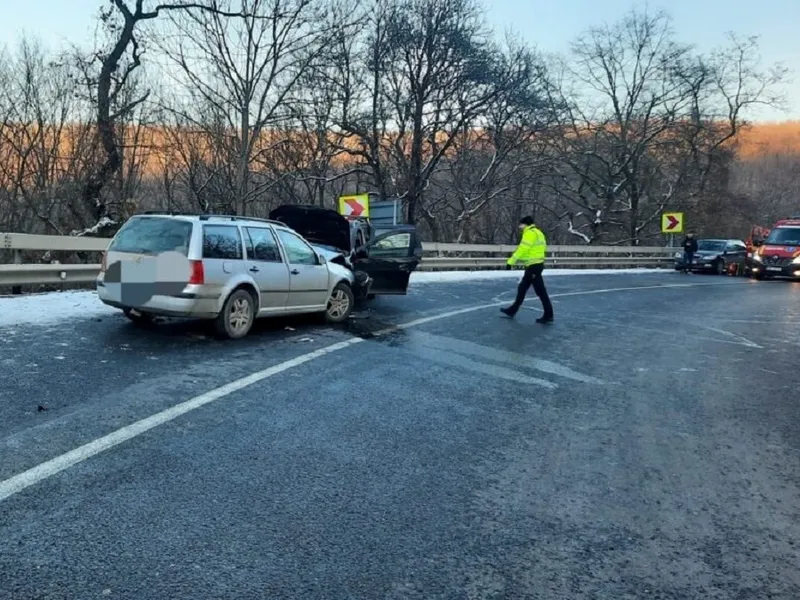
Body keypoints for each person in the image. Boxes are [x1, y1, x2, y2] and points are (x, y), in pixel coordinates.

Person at [501, 216, 554, 323]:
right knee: (522, 288)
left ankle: (549, 314)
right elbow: (537, 250)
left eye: (521, 224)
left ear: (525, 224)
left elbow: (523, 249)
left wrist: (511, 261)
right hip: (536, 264)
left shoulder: (529, 233)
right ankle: (513, 310)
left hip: (533, 266)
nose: (520, 226)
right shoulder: (539, 233)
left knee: (540, 291)